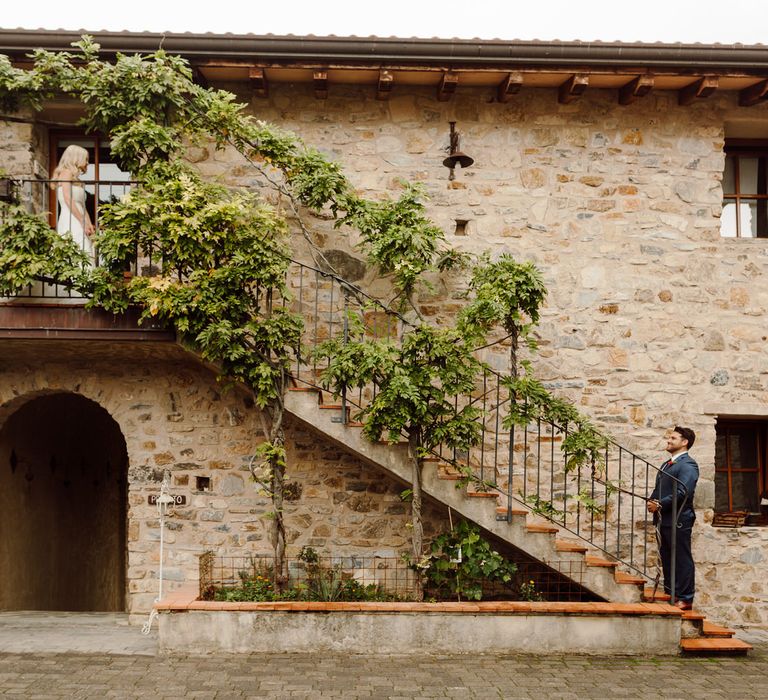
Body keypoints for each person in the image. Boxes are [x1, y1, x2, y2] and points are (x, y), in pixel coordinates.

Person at [647, 426, 699, 610]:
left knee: (681, 557)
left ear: (684, 442)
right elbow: (660, 488)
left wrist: (660, 504)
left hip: (679, 518)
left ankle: (685, 598)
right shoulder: (666, 464)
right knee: (667, 555)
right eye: (669, 437)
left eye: (673, 438)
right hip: (664, 518)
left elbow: (683, 491)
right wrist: (652, 501)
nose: (668, 440)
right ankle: (671, 592)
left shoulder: (688, 464)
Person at [52, 145, 95, 259]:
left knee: (84, 250)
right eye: (85, 159)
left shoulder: (78, 181)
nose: (87, 163)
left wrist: (89, 224)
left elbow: (82, 206)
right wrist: (82, 221)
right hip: (71, 219)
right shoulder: (66, 173)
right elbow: (67, 198)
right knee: (76, 248)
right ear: (77, 159)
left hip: (80, 218)